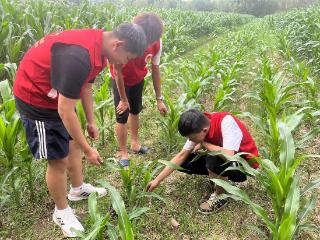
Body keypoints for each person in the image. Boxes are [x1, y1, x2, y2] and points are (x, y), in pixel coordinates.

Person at [13, 23, 147, 237]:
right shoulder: (79, 56)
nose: (125, 63)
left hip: (58, 95)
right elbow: (65, 111)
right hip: (37, 97)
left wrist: (91, 121)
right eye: (128, 57)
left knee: (73, 143)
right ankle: (61, 211)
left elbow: (86, 86)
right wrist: (89, 150)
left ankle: (77, 189)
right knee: (57, 159)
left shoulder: (100, 50)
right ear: (118, 44)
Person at [147, 109, 259, 214]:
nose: (191, 140)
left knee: (212, 157)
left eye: (192, 138)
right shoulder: (200, 127)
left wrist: (204, 144)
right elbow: (181, 156)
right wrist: (157, 180)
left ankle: (221, 194)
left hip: (243, 166)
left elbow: (229, 156)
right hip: (226, 159)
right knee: (186, 161)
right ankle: (217, 178)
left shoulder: (226, 123)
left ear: (204, 130)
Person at [110, 13, 168, 168]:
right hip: (120, 80)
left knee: (136, 111)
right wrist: (123, 99)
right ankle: (123, 152)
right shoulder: (124, 41)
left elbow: (155, 69)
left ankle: (135, 144)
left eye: (151, 40)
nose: (148, 44)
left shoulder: (157, 43)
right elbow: (117, 72)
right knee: (122, 116)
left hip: (138, 79)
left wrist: (159, 99)